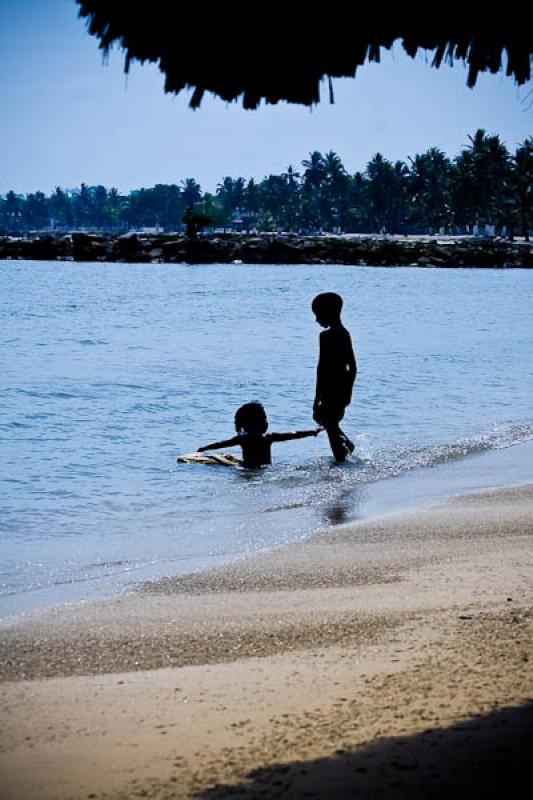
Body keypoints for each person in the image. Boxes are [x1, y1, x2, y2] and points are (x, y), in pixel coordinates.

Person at [198, 402, 322, 468]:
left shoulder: (243, 439)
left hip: (247, 469)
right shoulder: (268, 437)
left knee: (227, 464)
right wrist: (312, 432)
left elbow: (222, 444)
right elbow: (292, 435)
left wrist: (204, 449)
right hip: (267, 468)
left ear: (244, 424)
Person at [312, 292, 357, 462]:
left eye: (318, 315)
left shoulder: (341, 334)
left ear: (329, 313)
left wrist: (348, 391)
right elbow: (321, 368)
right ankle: (346, 446)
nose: (317, 320)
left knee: (330, 425)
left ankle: (340, 460)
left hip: (338, 388)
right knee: (327, 422)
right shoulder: (325, 336)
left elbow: (351, 366)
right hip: (329, 389)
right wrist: (317, 397)